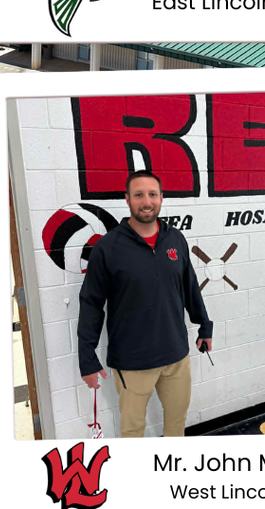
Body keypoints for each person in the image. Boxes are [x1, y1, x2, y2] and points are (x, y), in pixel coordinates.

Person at [77, 170, 213, 438]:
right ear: (127, 199)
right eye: (139, 195)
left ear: (161, 198)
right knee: (132, 431)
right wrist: (86, 358)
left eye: (152, 194)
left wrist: (204, 325)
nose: (146, 201)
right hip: (132, 361)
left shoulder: (175, 240)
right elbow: (91, 303)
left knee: (176, 424)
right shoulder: (107, 248)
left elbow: (189, 286)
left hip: (176, 356)